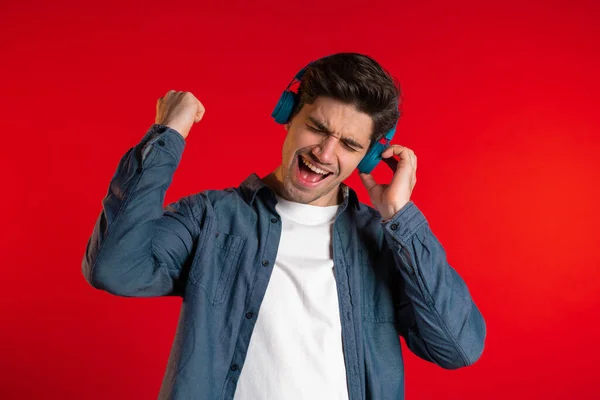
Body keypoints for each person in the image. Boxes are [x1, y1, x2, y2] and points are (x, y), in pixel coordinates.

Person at [82, 53, 486, 400]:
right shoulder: (211, 218)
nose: (325, 154)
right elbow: (115, 268)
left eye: (349, 145)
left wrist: (400, 216)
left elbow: (457, 347)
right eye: (318, 128)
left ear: (367, 157)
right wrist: (169, 134)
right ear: (288, 115)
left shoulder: (383, 240)